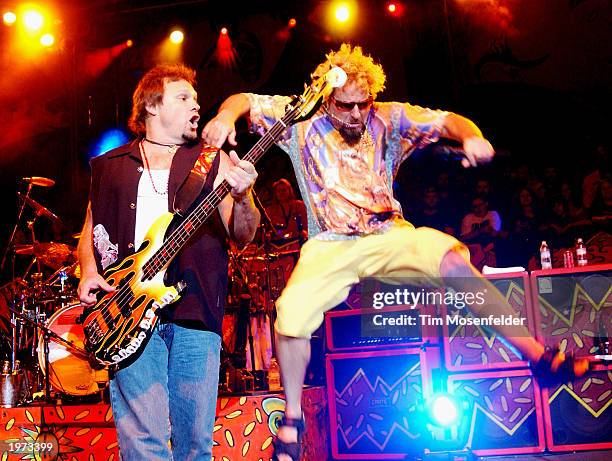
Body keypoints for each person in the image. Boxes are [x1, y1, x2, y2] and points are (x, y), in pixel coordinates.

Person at [203, 44, 588, 461]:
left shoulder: (389, 116)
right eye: (346, 106)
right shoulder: (302, 119)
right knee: (290, 315)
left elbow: (450, 120)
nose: (355, 115)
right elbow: (244, 99)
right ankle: (292, 422)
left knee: (453, 261)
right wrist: (226, 116)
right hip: (331, 242)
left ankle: (537, 358)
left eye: (362, 105)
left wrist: (473, 136)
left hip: (389, 232)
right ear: (327, 99)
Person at [77, 63, 260, 460]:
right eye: (184, 98)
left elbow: (243, 233)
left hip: (194, 310)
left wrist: (244, 196)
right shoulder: (109, 167)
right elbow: (89, 229)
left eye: (196, 99)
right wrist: (89, 270)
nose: (197, 106)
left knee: (195, 445)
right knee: (143, 445)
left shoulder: (213, 161)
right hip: (127, 312)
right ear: (152, 106)